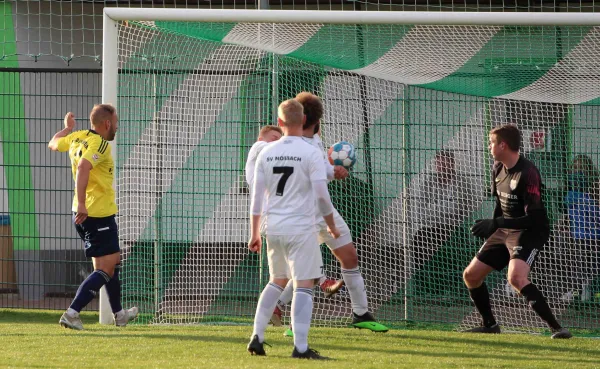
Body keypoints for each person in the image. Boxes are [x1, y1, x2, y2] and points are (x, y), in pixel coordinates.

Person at [271, 92, 389, 337]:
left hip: (321, 213)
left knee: (349, 258)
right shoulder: (298, 145)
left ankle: (360, 314)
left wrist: (333, 169)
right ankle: (290, 319)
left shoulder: (311, 139)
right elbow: (314, 174)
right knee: (305, 272)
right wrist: (334, 172)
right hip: (306, 215)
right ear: (313, 120)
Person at [246, 99, 339, 359]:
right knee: (304, 286)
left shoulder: (266, 151)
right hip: (301, 228)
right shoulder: (310, 152)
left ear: (280, 123)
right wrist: (331, 226)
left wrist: (254, 233)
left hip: (273, 227)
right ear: (307, 122)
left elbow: (257, 199)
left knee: (276, 282)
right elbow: (322, 197)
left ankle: (257, 337)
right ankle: (300, 348)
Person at [463, 124, 571, 339]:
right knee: (471, 275)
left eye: (491, 142)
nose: (489, 146)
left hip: (529, 231)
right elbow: (499, 204)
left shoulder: (528, 173)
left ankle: (558, 329)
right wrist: (494, 225)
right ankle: (490, 325)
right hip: (504, 228)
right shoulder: (497, 167)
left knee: (516, 277)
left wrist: (496, 223)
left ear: (503, 145)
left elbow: (536, 218)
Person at [48, 105, 138, 330]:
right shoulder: (100, 143)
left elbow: (52, 143)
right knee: (107, 268)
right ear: (107, 124)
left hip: (85, 214)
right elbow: (83, 167)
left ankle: (119, 314)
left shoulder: (77, 137)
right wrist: (81, 203)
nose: (117, 126)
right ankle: (72, 313)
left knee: (110, 264)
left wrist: (66, 129)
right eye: (116, 122)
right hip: (96, 214)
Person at [411, 150, 477, 272]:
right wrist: (447, 206)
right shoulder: (428, 182)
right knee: (418, 239)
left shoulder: (462, 183)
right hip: (431, 227)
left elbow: (458, 207)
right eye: (438, 164)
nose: (440, 167)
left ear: (452, 165)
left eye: (444, 164)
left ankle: (450, 280)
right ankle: (422, 279)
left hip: (454, 228)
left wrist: (432, 206)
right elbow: (420, 211)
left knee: (450, 246)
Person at [563, 155, 600, 301]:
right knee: (578, 264)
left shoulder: (595, 187)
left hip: (593, 235)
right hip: (577, 235)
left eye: (581, 168)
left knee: (592, 264)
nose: (577, 172)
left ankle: (591, 291)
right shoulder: (571, 192)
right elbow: (569, 214)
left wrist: (587, 200)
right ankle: (579, 290)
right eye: (575, 168)